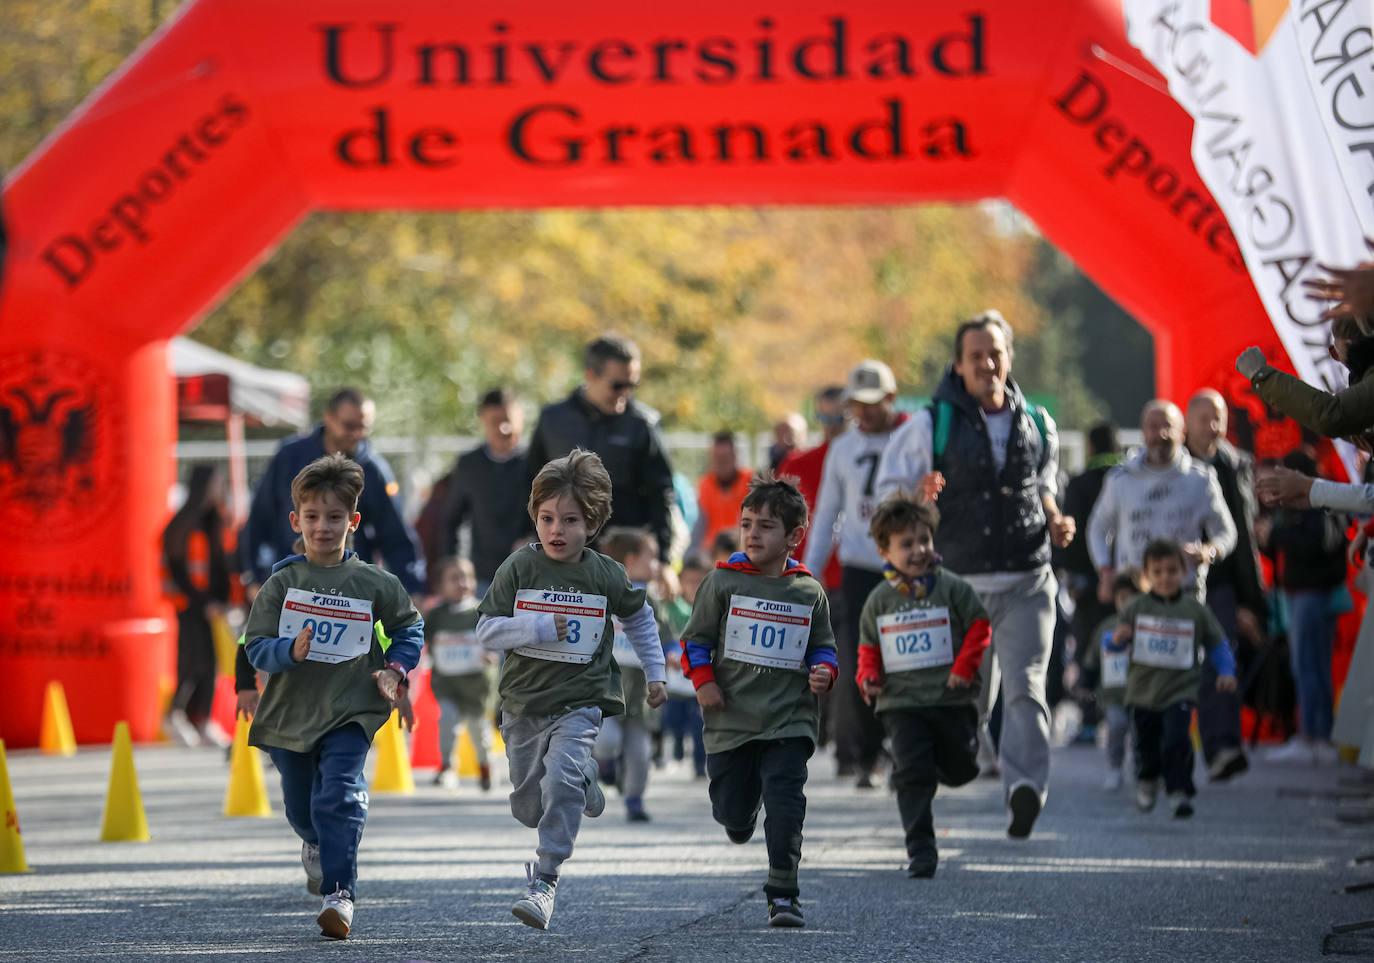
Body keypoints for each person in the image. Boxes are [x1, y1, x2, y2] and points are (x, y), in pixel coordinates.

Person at [875, 310, 1075, 839]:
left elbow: (1045, 479)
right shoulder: (928, 424)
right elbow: (887, 491)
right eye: (975, 356)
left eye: (996, 353)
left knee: (1028, 685)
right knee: (971, 694)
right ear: (958, 366)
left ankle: (1026, 787)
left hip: (1028, 577)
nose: (987, 364)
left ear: (1008, 357)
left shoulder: (1038, 420)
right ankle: (968, 755)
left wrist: (1054, 516)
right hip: (960, 587)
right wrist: (916, 497)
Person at [475, 449, 667, 931]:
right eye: (546, 518)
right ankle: (583, 781)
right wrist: (537, 628)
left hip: (581, 702)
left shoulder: (603, 574)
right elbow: (485, 632)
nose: (556, 530)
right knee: (527, 806)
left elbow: (640, 617)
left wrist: (656, 672)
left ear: (594, 524)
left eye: (570, 520)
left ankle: (544, 880)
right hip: (523, 703)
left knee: (559, 780)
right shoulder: (518, 568)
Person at [242, 453, 424, 940]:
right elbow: (255, 645)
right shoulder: (282, 583)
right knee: (304, 809)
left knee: (337, 796)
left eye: (335, 517)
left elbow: (409, 627)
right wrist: (289, 651)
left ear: (354, 521)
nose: (323, 527)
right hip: (291, 715)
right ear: (295, 520)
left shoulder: (374, 583)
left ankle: (340, 894)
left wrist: (395, 670)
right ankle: (315, 845)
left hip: (351, 710)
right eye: (313, 517)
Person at [679, 472, 838, 927]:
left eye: (766, 526)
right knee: (732, 809)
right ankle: (739, 816)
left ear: (794, 536)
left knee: (786, 801)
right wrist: (705, 682)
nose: (752, 533)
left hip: (789, 721)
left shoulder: (808, 591)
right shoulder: (722, 583)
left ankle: (783, 892)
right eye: (747, 523)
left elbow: (822, 646)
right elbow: (696, 642)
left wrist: (825, 671)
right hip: (730, 721)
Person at [855, 495, 990, 878]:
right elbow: (868, 646)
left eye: (924, 540)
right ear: (884, 551)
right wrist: (867, 677)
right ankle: (921, 850)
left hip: (951, 698)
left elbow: (980, 626)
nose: (918, 551)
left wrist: (965, 668)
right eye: (906, 544)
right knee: (912, 774)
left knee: (962, 768)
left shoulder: (952, 588)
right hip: (902, 702)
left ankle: (941, 767)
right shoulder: (879, 600)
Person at [803, 360, 909, 788]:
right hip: (858, 567)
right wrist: (807, 573)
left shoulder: (912, 435)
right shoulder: (843, 449)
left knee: (905, 660)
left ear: (890, 398)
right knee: (860, 662)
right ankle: (866, 755)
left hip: (905, 568)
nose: (861, 413)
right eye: (855, 405)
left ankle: (903, 747)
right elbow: (827, 512)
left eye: (870, 404)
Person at [241, 387, 426, 595]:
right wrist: (256, 575)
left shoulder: (373, 470)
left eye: (363, 427)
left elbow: (395, 535)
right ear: (329, 419)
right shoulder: (290, 457)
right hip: (291, 583)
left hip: (350, 589)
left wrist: (413, 587)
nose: (357, 434)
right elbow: (260, 518)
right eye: (349, 426)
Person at [1112, 538, 1237, 818]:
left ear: (1183, 571)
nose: (1165, 577)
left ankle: (1179, 790)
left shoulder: (1194, 609)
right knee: (1146, 743)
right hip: (1142, 693)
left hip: (1180, 691)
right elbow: (1114, 640)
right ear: (1146, 574)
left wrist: (1227, 671)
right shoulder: (1136, 607)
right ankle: (1147, 780)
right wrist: (1119, 639)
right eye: (1157, 572)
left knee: (1176, 740)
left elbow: (1218, 642)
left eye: (1171, 570)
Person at [527, 335, 676, 566]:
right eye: (617, 385)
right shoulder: (553, 420)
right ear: (590, 376)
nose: (625, 393)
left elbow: (662, 492)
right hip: (562, 552)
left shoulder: (643, 423)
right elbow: (529, 481)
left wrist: (665, 559)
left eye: (632, 385)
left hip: (623, 557)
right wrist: (524, 536)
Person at [1184, 389, 1266, 781]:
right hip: (1176, 583)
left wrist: (1249, 599)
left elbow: (1244, 537)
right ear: (1188, 422)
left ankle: (1222, 748)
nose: (1213, 427)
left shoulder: (1236, 466)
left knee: (1221, 662)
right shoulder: (1173, 466)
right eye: (1204, 419)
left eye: (1218, 418)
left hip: (1221, 584)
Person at [1088, 400, 1236, 604]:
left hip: (1184, 596)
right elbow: (1097, 529)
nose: (1161, 434)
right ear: (1143, 432)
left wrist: (1207, 552)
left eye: (1167, 426)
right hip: (1134, 595)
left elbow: (1227, 533)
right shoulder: (1120, 479)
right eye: (1153, 427)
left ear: (1182, 433)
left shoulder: (1200, 479)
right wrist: (1105, 571)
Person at [1256, 453, 1348, 765]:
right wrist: (1269, 538)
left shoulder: (1315, 502)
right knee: (1312, 668)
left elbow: (1317, 541)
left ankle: (1313, 737)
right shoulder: (1315, 501)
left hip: (1312, 595)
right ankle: (1317, 735)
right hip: (1304, 595)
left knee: (1308, 667)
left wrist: (1276, 534)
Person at [593, 527, 672, 820]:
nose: (657, 566)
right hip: (606, 693)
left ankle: (635, 800)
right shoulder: (604, 595)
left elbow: (666, 634)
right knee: (607, 741)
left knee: (640, 754)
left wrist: (673, 653)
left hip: (640, 696)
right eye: (652, 558)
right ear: (630, 561)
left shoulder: (651, 601)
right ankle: (605, 765)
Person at [1055, 421, 1122, 744]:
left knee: (1085, 650)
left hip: (1086, 583)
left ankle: (1090, 720)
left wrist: (1069, 574)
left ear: (1091, 447)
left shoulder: (1079, 483)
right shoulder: (1126, 480)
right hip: (1124, 581)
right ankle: (1121, 716)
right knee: (1121, 643)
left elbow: (1068, 535)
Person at [163, 464, 233, 746]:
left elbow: (221, 567)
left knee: (210, 664)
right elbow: (177, 570)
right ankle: (174, 714)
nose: (220, 489)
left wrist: (222, 601)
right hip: (189, 605)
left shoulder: (214, 520)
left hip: (211, 607)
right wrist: (203, 602)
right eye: (216, 483)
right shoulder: (182, 523)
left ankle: (201, 719)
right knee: (192, 662)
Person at [439, 387, 532, 594]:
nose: (504, 428)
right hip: (482, 578)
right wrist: (452, 566)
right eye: (496, 421)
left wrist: (533, 539)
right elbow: (451, 521)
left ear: (521, 419)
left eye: (509, 420)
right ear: (482, 421)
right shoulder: (469, 465)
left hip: (529, 575)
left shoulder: (535, 464)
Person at [425, 557, 497, 790]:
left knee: (480, 733)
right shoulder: (435, 616)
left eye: (467, 577)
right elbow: (419, 638)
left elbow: (498, 639)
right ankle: (446, 766)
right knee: (447, 719)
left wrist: (492, 655)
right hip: (446, 683)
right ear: (440, 586)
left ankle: (485, 767)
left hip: (477, 686)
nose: (462, 583)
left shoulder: (482, 611)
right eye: (454, 578)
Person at [1079, 568, 1145, 790]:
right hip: (1114, 695)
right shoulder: (1107, 627)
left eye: (1134, 599)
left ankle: (1142, 770)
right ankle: (1115, 767)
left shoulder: (1149, 627)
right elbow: (1092, 657)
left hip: (1144, 694)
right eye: (1123, 599)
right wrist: (1086, 682)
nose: (1128, 604)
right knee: (1116, 728)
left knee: (1141, 733)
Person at [662, 555, 709, 778]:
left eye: (699, 581)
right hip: (675, 683)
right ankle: (677, 748)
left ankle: (700, 766)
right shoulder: (671, 609)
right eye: (688, 581)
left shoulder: (709, 612)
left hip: (698, 684)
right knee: (673, 721)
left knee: (699, 726)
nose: (693, 586)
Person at [692, 431, 754, 556]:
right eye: (717, 457)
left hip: (744, 550)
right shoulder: (705, 484)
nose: (721, 462)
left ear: (734, 455)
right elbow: (700, 526)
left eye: (725, 457)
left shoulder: (751, 481)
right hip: (714, 552)